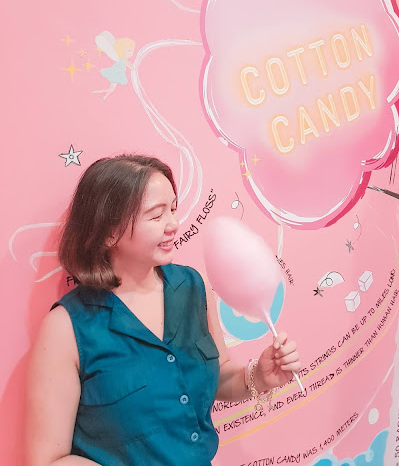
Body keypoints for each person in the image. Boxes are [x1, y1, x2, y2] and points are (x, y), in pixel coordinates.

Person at [25, 155, 301, 466]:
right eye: (156, 216)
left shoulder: (192, 286)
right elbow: (48, 460)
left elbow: (218, 375)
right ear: (109, 232)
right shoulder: (67, 327)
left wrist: (257, 376)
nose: (173, 225)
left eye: (173, 209)